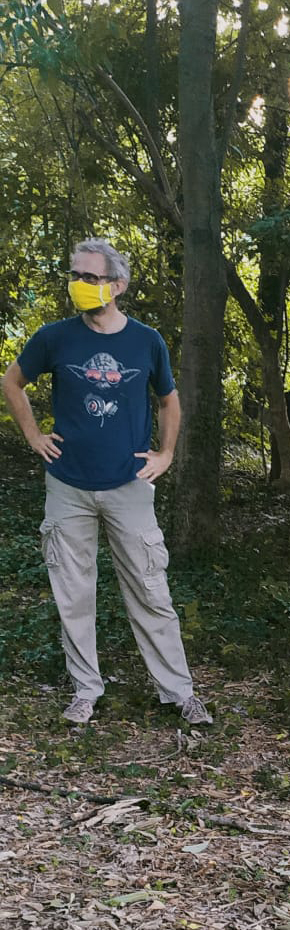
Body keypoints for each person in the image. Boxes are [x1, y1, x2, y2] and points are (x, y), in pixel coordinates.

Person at [1, 239, 211, 726]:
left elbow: (169, 400)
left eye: (90, 277)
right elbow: (12, 381)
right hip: (68, 484)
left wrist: (166, 454)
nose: (79, 284)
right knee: (73, 593)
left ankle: (179, 692)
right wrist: (33, 435)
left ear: (117, 286)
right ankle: (85, 690)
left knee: (150, 590)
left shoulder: (146, 341)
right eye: (75, 275)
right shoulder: (54, 338)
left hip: (128, 484)